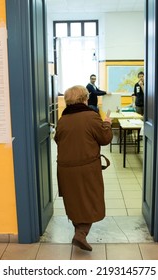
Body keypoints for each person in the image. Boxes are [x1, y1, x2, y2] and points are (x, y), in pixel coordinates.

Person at [54, 85, 112, 251]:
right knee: (90, 200)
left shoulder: (62, 120)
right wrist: (107, 124)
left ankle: (79, 232)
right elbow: (105, 138)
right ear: (84, 99)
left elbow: (58, 140)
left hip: (65, 169)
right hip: (86, 168)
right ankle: (81, 234)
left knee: (74, 201)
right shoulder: (91, 116)